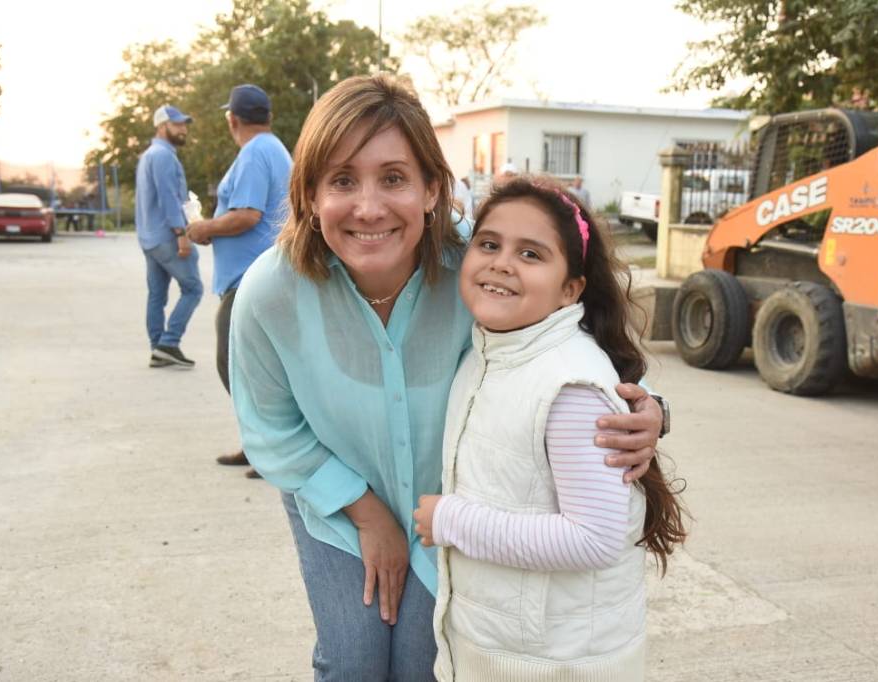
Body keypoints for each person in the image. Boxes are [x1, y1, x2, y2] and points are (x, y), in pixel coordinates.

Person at [229, 75, 666, 681]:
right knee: (353, 660)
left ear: (433, 187)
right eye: (341, 180)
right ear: (307, 194)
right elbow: (270, 427)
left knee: (423, 662)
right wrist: (366, 512)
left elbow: (566, 337)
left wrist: (648, 410)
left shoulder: (482, 263)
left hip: (455, 510)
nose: (369, 207)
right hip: (335, 500)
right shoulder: (270, 293)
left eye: (394, 178)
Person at [413, 177, 686, 680]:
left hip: (553, 663)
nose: (501, 262)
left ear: (570, 289)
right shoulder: (491, 352)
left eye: (531, 254)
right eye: (489, 244)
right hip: (508, 646)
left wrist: (451, 520)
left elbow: (592, 538)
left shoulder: (569, 385)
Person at [186, 84, 293, 479]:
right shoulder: (275, 149)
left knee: (236, 366)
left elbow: (247, 214)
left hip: (251, 279)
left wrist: (204, 228)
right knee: (252, 369)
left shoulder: (254, 153)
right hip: (261, 274)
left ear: (232, 119)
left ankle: (271, 451)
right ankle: (258, 447)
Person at [135, 104, 203, 368]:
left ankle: (157, 349)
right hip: (166, 236)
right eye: (178, 124)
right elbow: (168, 197)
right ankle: (169, 342)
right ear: (162, 126)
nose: (183, 129)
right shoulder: (163, 156)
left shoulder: (149, 155)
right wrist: (181, 234)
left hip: (149, 238)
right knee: (193, 288)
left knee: (156, 295)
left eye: (184, 124)